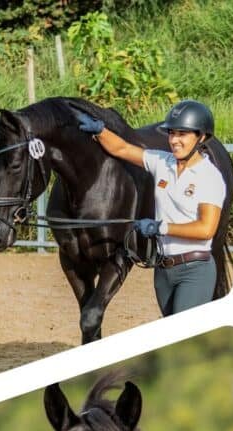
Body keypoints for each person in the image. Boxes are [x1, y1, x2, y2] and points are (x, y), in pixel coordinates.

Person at [73, 100, 225, 316]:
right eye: (172, 133)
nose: (174, 140)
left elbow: (206, 229)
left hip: (194, 270)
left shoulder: (209, 176)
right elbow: (122, 148)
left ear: (201, 137)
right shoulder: (162, 162)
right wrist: (100, 131)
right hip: (163, 270)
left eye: (182, 134)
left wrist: (161, 228)